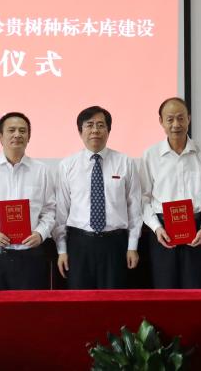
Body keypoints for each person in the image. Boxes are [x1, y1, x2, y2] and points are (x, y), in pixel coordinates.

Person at [54, 106, 142, 289]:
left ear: (108, 130)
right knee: (80, 301)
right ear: (80, 131)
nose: (95, 130)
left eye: (101, 125)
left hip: (115, 244)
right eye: (89, 125)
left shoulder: (125, 162)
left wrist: (132, 246)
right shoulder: (67, 165)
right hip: (79, 244)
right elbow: (61, 212)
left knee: (114, 300)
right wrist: (62, 250)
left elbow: (134, 208)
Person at [0, 112, 56, 290]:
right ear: (0, 136)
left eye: (22, 131)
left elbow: (50, 210)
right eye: (11, 130)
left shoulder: (42, 170)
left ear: (29, 137)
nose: (17, 134)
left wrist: (40, 233)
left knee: (31, 307)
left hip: (31, 257)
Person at [140, 97, 201, 289]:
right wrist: (156, 228)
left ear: (189, 119)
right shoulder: (150, 155)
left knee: (196, 291)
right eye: (170, 119)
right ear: (161, 121)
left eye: (181, 118)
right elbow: (143, 199)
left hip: (197, 231)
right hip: (162, 232)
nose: (176, 124)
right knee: (165, 291)